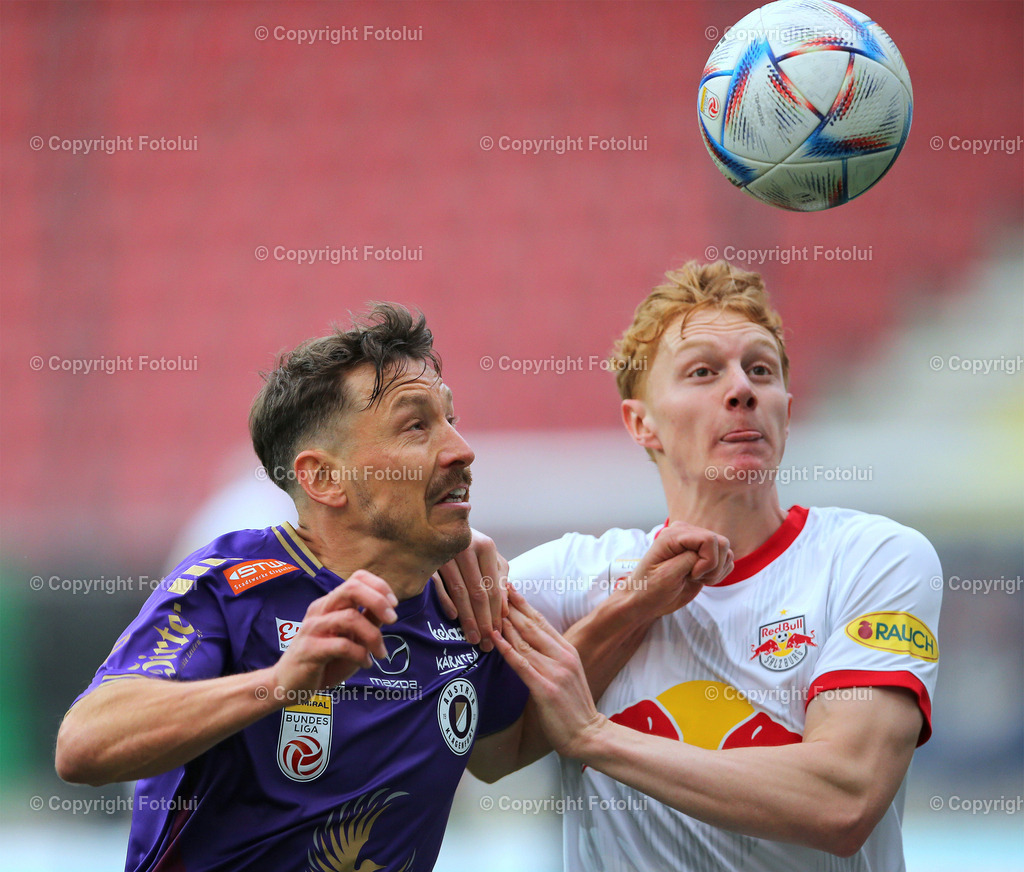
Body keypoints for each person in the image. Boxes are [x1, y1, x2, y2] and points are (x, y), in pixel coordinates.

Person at [484, 261, 943, 872]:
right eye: (703, 372)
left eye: (761, 369)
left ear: (785, 407)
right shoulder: (577, 573)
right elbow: (489, 755)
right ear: (640, 423)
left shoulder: (874, 558)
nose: (742, 389)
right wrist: (629, 609)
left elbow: (844, 800)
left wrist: (594, 737)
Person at [55, 304, 538, 871]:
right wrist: (279, 683)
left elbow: (502, 749)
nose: (461, 449)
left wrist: (631, 610)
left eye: (451, 419)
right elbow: (83, 745)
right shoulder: (235, 583)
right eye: (416, 426)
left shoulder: (461, 598)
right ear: (324, 478)